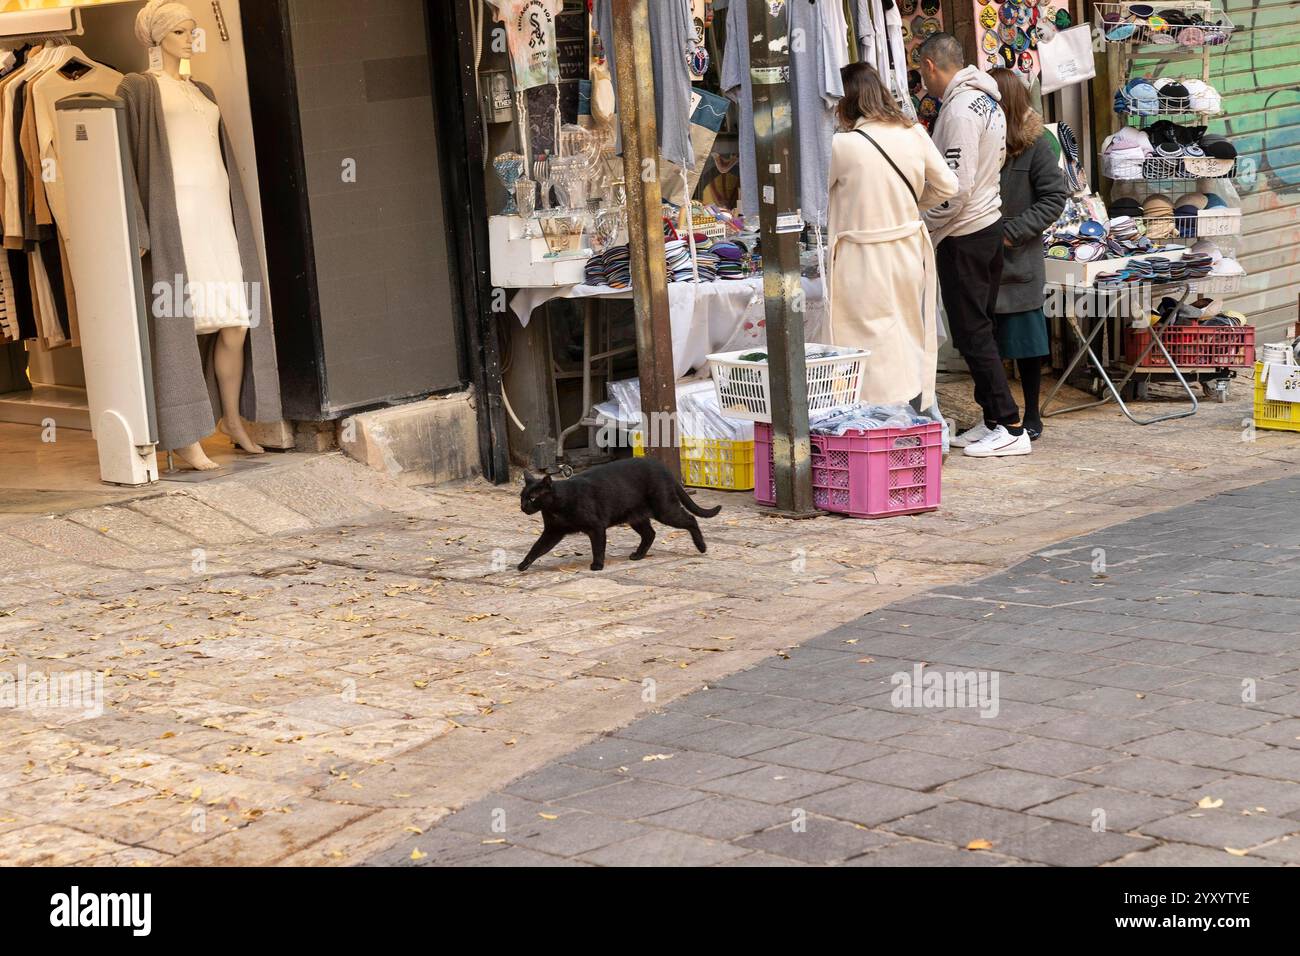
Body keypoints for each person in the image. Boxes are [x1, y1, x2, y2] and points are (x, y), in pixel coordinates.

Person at [917, 32, 1029, 459]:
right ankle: (994, 418)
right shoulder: (987, 101)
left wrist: (924, 227)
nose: (922, 82)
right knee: (978, 329)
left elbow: (954, 188)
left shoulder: (963, 109)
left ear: (930, 66)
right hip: (984, 225)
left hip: (965, 232)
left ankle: (1011, 425)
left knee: (974, 332)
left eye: (921, 72)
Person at [826, 62, 958, 413]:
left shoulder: (844, 145)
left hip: (862, 256)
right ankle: (919, 414)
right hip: (908, 249)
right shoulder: (914, 133)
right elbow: (949, 185)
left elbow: (815, 198)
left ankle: (878, 421)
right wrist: (911, 206)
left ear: (846, 101)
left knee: (864, 344)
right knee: (907, 333)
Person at [989, 68, 1068, 441]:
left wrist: (1013, 233)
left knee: (1027, 346)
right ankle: (995, 414)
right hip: (981, 262)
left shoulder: (1036, 144)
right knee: (984, 345)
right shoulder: (980, 141)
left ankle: (1033, 413)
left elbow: (1055, 197)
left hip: (1019, 262)